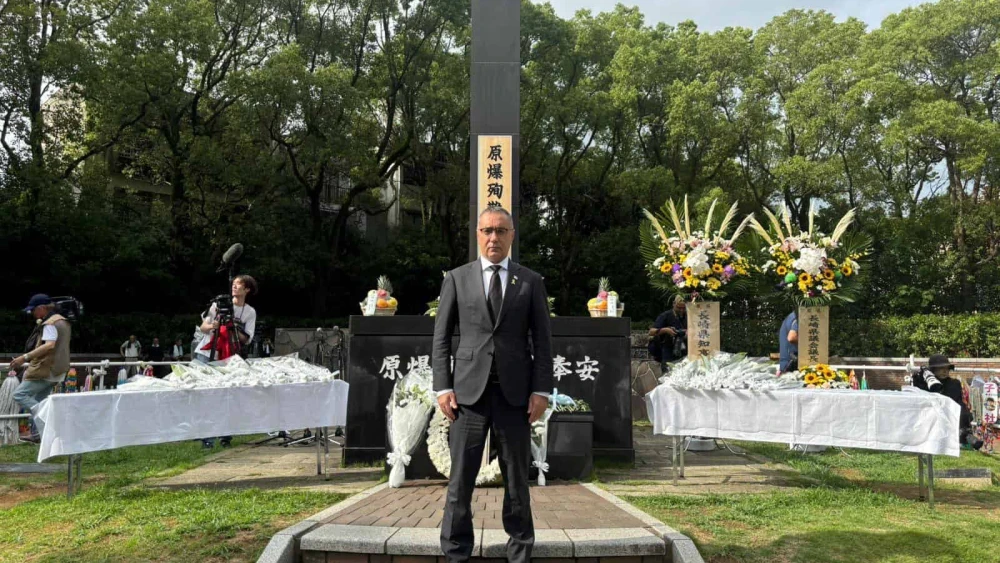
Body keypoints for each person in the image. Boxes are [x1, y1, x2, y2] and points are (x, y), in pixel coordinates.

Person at [433, 207, 553, 563]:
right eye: (486, 230)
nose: (493, 238)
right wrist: (443, 387)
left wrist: (541, 390)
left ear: (512, 235)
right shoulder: (457, 278)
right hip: (467, 396)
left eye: (501, 231)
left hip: (515, 396)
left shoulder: (530, 282)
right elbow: (441, 338)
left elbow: (543, 341)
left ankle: (519, 552)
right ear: (477, 235)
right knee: (460, 481)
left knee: (517, 481)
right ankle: (456, 552)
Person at [194, 274, 257, 447]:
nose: (234, 287)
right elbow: (203, 327)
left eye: (239, 285)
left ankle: (225, 435)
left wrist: (233, 326)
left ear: (247, 289)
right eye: (234, 284)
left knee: (227, 395)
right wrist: (214, 325)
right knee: (205, 394)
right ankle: (206, 438)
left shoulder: (249, 312)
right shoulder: (218, 305)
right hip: (206, 353)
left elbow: (247, 339)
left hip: (229, 357)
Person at [9, 294, 71, 443]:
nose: (32, 313)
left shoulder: (49, 324)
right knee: (40, 401)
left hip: (46, 369)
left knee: (19, 395)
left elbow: (49, 345)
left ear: (42, 308)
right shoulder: (63, 321)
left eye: (33, 310)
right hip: (59, 369)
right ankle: (43, 437)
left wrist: (24, 357)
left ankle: (48, 422)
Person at [913, 354, 983, 450]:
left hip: (951, 414)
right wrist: (920, 380)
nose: (945, 371)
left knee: (964, 412)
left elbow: (956, 401)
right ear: (933, 370)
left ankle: (965, 435)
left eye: (946, 368)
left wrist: (964, 415)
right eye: (940, 368)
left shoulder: (954, 383)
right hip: (931, 416)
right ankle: (964, 436)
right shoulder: (924, 383)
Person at [648, 295, 687, 368]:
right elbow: (651, 332)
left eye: (683, 308)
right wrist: (665, 330)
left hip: (685, 350)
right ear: (673, 304)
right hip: (668, 350)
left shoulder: (688, 316)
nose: (681, 310)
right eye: (679, 308)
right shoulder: (665, 315)